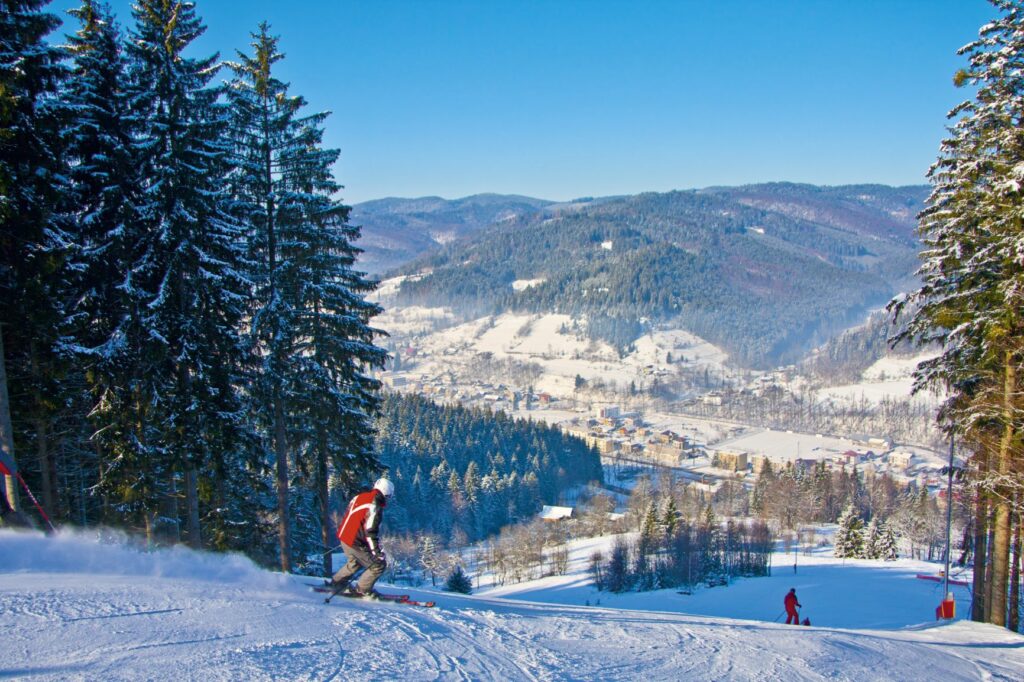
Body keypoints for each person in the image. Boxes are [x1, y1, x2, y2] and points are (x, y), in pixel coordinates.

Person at [329, 478, 394, 598]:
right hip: (355, 541)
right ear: (386, 493)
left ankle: (336, 583)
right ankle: (362, 590)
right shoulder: (375, 505)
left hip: (345, 536)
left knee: (355, 562)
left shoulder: (359, 497)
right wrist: (377, 552)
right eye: (389, 496)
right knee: (378, 565)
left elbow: (350, 513)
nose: (388, 499)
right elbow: (371, 531)